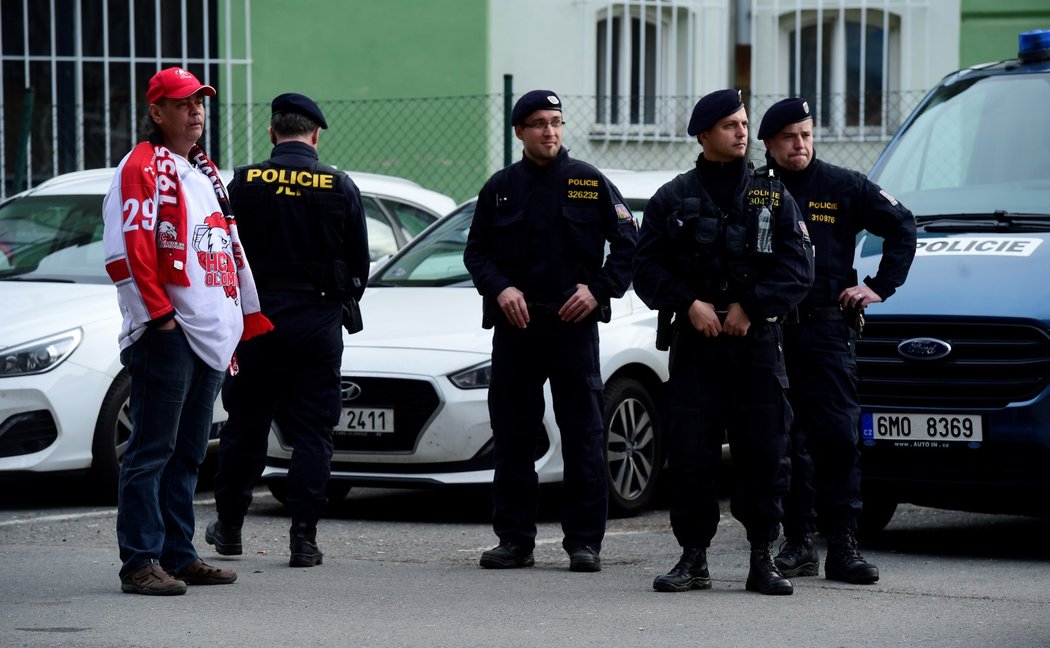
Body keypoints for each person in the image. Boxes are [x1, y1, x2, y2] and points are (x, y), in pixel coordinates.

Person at [632, 89, 814, 595]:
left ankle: (762, 558)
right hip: (696, 347)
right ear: (704, 134)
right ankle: (694, 559)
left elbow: (799, 267)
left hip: (755, 346)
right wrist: (688, 302)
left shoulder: (772, 195)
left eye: (743, 123)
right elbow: (645, 267)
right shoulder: (674, 197)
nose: (741, 132)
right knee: (691, 454)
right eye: (730, 125)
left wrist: (749, 307)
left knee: (764, 452)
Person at [102, 67, 273, 595]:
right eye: (183, 104)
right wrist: (160, 319)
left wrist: (240, 314)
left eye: (200, 103)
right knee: (151, 450)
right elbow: (128, 249)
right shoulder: (142, 167)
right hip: (169, 334)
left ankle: (178, 554)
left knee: (188, 454)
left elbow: (225, 248)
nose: (196, 112)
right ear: (157, 113)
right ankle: (140, 562)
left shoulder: (204, 171)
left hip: (209, 336)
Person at [463, 89, 638, 572]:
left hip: (572, 328)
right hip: (517, 330)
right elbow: (476, 253)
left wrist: (598, 291)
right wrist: (500, 289)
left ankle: (584, 543)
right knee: (514, 437)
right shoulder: (500, 187)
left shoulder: (587, 181)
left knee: (583, 434)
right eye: (539, 123)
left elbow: (628, 246)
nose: (550, 131)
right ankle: (514, 541)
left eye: (556, 122)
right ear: (519, 131)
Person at [205, 93, 369, 568]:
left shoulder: (244, 181)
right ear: (315, 136)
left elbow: (221, 252)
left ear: (273, 133)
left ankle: (230, 528)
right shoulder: (339, 184)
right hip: (316, 325)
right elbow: (359, 263)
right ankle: (304, 540)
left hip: (255, 323)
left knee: (246, 426)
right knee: (314, 432)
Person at [756, 97, 916, 584]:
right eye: (789, 137)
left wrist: (878, 287)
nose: (799, 144)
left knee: (836, 438)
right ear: (768, 143)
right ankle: (799, 542)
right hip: (771, 329)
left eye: (805, 134)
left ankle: (843, 545)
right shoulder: (755, 189)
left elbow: (902, 225)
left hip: (826, 328)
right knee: (784, 440)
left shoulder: (842, 185)